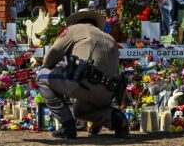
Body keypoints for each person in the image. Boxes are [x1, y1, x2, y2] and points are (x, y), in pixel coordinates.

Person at [36, 9, 129, 139]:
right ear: (95, 23)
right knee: (80, 111)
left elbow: (49, 59)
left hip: (85, 84)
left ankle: (67, 125)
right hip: (109, 93)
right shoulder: (109, 38)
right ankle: (115, 117)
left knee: (42, 76)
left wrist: (54, 67)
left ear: (75, 22)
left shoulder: (74, 29)